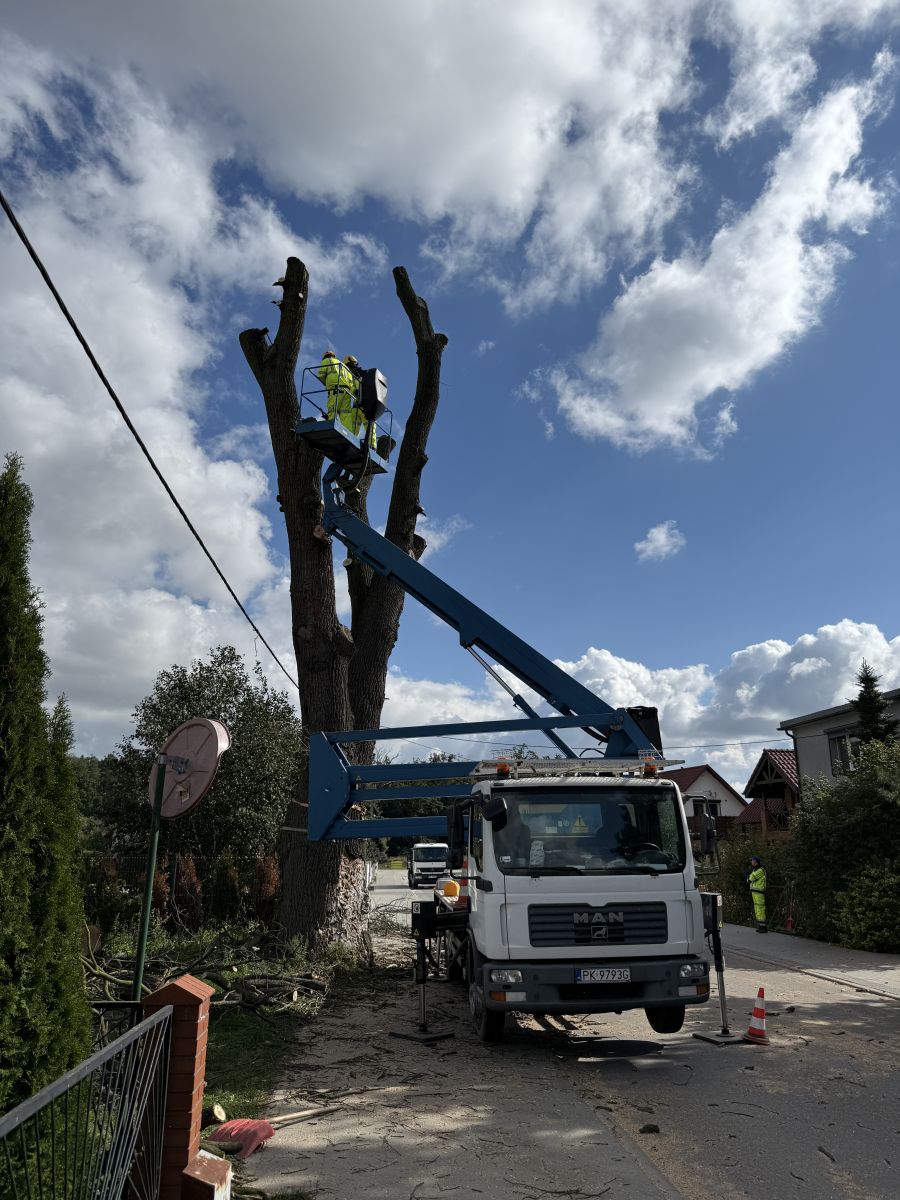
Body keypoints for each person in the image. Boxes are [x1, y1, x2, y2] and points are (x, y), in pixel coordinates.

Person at [748, 856, 767, 932]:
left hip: (759, 892)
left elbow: (750, 879)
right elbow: (750, 878)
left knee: (760, 909)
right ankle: (760, 925)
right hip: (755, 892)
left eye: (753, 860)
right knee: (757, 908)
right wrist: (749, 878)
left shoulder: (760, 870)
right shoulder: (755, 870)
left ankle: (763, 927)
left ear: (756, 862)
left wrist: (749, 879)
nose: (751, 862)